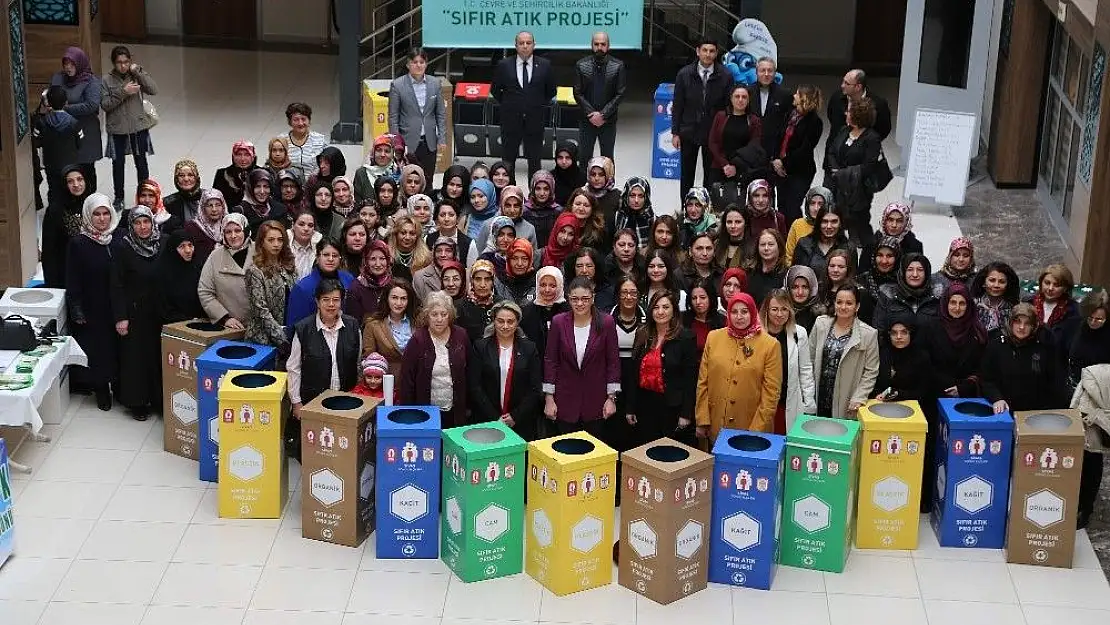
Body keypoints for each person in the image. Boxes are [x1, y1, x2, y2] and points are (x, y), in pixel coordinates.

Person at [696, 292, 783, 439]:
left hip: (751, 428)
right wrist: (702, 420)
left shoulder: (770, 345)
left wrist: (756, 431)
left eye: (744, 311)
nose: (739, 316)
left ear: (753, 312)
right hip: (715, 425)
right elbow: (703, 382)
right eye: (734, 312)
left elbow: (771, 394)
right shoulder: (714, 338)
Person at [543, 276, 621, 436]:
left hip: (596, 401)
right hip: (564, 401)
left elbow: (613, 361)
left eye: (585, 299)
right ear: (568, 299)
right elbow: (551, 361)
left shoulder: (606, 322)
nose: (579, 304)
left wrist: (611, 398)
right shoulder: (558, 322)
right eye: (575, 299)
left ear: (593, 298)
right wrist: (549, 398)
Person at [287, 278, 362, 444]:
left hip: (345, 401)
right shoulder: (303, 329)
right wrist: (296, 402)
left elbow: (358, 364)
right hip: (312, 402)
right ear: (317, 301)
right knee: (316, 448)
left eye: (336, 300)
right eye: (326, 300)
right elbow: (294, 368)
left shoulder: (352, 326)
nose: (331, 305)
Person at [1060, 289, 1110, 528]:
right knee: (1067, 450)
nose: (1093, 322)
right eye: (1090, 317)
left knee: (1091, 454)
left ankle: (1085, 506)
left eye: (1099, 318)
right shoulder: (1073, 326)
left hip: (1096, 401)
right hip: (1069, 393)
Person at [67, 194, 120, 410]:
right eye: (96, 214)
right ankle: (100, 389)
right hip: (93, 304)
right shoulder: (79, 243)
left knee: (118, 348)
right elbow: (73, 277)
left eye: (106, 213)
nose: (101, 219)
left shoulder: (119, 237)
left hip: (117, 304)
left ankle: (120, 387)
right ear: (88, 216)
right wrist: (76, 308)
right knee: (98, 350)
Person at [626, 290, 698, 447]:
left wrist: (686, 414)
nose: (660, 312)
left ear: (674, 310)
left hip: (672, 407)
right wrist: (630, 407)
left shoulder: (686, 337)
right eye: (656, 307)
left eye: (665, 307)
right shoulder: (642, 333)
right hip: (645, 406)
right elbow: (633, 373)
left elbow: (690, 380)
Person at [111, 206, 163, 421]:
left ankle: (159, 400)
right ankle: (138, 402)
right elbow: (117, 284)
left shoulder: (163, 243)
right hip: (134, 313)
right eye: (137, 223)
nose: (143, 227)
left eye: (146, 222)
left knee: (157, 357)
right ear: (131, 225)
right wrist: (120, 317)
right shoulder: (123, 248)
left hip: (159, 311)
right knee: (137, 359)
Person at [469, 300, 543, 440]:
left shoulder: (529, 348)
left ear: (517, 323)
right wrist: (495, 418)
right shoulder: (480, 347)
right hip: (487, 420)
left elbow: (534, 388)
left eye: (510, 321)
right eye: (500, 321)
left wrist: (515, 416)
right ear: (493, 322)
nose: (505, 326)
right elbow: (475, 387)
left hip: (520, 423)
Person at [672, 38, 734, 200]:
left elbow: (728, 106)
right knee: (687, 174)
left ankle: (707, 209)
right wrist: (675, 132)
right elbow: (678, 105)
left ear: (716, 53)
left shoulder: (725, 76)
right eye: (704, 50)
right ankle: (686, 208)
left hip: (713, 133)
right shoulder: (684, 74)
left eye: (712, 51)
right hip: (688, 131)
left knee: (711, 174)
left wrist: (725, 132)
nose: (708, 54)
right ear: (697, 51)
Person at [491, 31, 557, 183]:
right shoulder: (504, 65)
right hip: (510, 121)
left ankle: (534, 196)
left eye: (528, 43)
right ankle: (509, 193)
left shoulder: (545, 65)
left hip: (535, 121)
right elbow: (495, 91)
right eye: (521, 43)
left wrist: (534, 104)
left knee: (534, 162)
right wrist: (511, 105)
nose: (525, 46)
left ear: (534, 45)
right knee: (508, 162)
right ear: (515, 46)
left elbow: (551, 91)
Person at [399, 291, 471, 426]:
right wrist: (408, 414)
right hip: (425, 412)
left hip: (456, 410)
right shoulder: (417, 340)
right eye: (434, 314)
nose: (439, 319)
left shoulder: (461, 335)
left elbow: (470, 371)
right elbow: (407, 380)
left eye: (444, 314)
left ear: (450, 315)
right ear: (427, 316)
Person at [809, 282, 880, 419]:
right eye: (839, 302)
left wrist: (859, 397)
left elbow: (871, 371)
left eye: (849, 303)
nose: (843, 307)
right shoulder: (821, 324)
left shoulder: (868, 334)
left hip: (847, 399)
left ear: (857, 306)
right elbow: (809, 359)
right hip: (819, 394)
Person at [101, 45, 157, 209]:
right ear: (113, 63)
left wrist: (138, 70)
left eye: (126, 62)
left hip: (137, 127)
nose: (123, 66)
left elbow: (153, 89)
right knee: (118, 165)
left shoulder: (136, 75)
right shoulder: (106, 80)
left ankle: (144, 195)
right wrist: (123, 92)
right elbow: (105, 105)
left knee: (141, 162)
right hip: (117, 129)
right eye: (119, 62)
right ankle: (119, 197)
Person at [823, 96, 884, 248]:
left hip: (857, 192)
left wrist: (842, 173)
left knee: (856, 225)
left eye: (849, 111)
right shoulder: (844, 130)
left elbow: (868, 166)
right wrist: (835, 170)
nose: (845, 113)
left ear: (858, 115)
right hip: (836, 186)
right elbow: (831, 151)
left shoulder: (872, 138)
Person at [980, 303, 1062, 413]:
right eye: (1017, 321)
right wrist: (997, 398)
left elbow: (1052, 382)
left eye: (1027, 323)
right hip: (1003, 410)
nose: (1022, 327)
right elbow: (987, 380)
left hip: (1034, 414)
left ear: (1034, 326)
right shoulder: (997, 345)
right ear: (1011, 322)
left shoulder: (1043, 348)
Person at [760, 289, 817, 434]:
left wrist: (808, 403)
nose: (780, 314)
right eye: (775, 309)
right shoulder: (757, 334)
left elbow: (805, 369)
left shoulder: (799, 333)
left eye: (784, 309)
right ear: (766, 310)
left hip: (788, 402)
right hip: (762, 404)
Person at [388, 47, 447, 178]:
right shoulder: (397, 85)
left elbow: (441, 114)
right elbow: (393, 117)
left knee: (428, 178)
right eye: (415, 62)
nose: (418, 65)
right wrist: (397, 142)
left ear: (426, 64)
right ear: (408, 64)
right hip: (407, 141)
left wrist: (442, 138)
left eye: (421, 62)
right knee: (408, 179)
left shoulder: (435, 83)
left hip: (429, 141)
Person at [50, 47, 102, 189]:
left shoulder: (91, 81)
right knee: (67, 169)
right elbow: (52, 96)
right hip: (64, 132)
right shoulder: (58, 78)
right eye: (66, 64)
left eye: (72, 64)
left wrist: (64, 108)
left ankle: (90, 200)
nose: (68, 67)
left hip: (86, 131)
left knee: (86, 169)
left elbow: (91, 105)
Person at [771, 85, 824, 224]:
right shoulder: (790, 113)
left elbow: (804, 150)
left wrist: (784, 163)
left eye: (797, 94)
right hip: (780, 168)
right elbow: (778, 136)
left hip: (800, 171)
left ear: (804, 99)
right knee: (781, 206)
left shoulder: (815, 122)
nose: (794, 96)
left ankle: (797, 235)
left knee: (792, 207)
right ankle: (783, 236)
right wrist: (776, 159)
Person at [924, 282, 987, 399]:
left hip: (966, 397)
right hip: (933, 395)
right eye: (953, 302)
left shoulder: (977, 331)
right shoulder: (931, 327)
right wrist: (948, 385)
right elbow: (925, 363)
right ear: (945, 303)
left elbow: (982, 367)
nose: (957, 308)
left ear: (968, 305)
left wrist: (963, 388)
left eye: (962, 303)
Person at [572, 31, 626, 166]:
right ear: (591, 45)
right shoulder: (581, 65)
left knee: (607, 158)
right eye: (596, 44)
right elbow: (577, 92)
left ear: (608, 46)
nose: (599, 47)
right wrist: (591, 114)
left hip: (608, 121)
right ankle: (583, 187)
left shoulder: (618, 66)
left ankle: (608, 187)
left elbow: (620, 93)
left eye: (603, 44)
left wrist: (603, 114)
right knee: (584, 157)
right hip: (586, 120)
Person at [245, 221, 297, 350]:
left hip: (289, 333)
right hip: (262, 340)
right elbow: (260, 310)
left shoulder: (289, 266)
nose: (276, 244)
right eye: (271, 240)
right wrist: (282, 339)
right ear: (262, 242)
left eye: (280, 240)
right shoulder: (255, 271)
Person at [286, 238, 356, 331]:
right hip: (313, 340)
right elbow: (295, 326)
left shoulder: (348, 279)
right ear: (318, 257)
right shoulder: (302, 288)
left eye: (335, 255)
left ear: (340, 258)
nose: (330, 259)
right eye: (326, 255)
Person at [361, 278, 419, 388]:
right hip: (385, 384)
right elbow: (368, 358)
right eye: (394, 298)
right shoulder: (373, 324)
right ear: (386, 298)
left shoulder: (418, 322)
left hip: (414, 381)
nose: (399, 303)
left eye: (403, 299)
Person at [41, 164, 92, 288]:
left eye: (80, 179)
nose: (76, 185)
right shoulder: (55, 210)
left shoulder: (93, 204)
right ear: (64, 184)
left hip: (91, 272)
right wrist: (52, 284)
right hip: (65, 274)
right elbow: (49, 252)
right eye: (70, 181)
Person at [707, 84, 765, 191]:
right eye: (737, 96)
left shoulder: (754, 120)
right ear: (731, 99)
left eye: (744, 97)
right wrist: (725, 164)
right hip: (719, 167)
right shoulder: (720, 116)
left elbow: (753, 146)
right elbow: (712, 142)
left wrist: (735, 166)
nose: (740, 100)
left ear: (748, 100)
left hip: (742, 170)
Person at [34, 85, 84, 204]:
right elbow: (80, 142)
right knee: (71, 188)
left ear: (49, 103)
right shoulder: (74, 122)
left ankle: (54, 212)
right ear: (66, 102)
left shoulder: (41, 123)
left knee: (53, 188)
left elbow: (36, 142)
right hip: (71, 163)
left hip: (51, 164)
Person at [873, 253, 941, 335]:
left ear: (926, 273)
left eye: (920, 270)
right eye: (910, 270)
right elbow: (879, 330)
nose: (915, 274)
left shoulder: (936, 296)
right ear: (903, 272)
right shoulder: (888, 294)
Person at [827, 69, 892, 141]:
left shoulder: (878, 104)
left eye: (846, 83)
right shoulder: (836, 98)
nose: (842, 85)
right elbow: (830, 116)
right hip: (835, 147)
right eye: (843, 81)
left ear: (858, 87)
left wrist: (869, 143)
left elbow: (884, 129)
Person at [793, 203, 854, 279]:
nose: (829, 226)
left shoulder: (849, 248)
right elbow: (795, 276)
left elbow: (851, 280)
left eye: (834, 221)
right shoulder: (804, 245)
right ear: (818, 223)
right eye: (824, 221)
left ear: (840, 223)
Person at [521, 267, 570, 362]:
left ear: (560, 286)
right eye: (543, 285)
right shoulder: (527, 312)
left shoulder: (569, 311)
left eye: (552, 286)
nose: (547, 290)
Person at [156, 229, 205, 323]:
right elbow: (163, 307)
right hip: (172, 326)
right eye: (182, 246)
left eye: (190, 245)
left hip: (200, 323)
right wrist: (186, 319)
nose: (188, 250)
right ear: (173, 249)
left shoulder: (198, 267)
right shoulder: (162, 273)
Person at [859, 202, 924, 273]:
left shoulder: (914, 246)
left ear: (906, 223)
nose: (894, 225)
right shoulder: (871, 243)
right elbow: (862, 273)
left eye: (899, 221)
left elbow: (916, 273)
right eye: (890, 220)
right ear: (884, 221)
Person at [476, 185, 538, 251]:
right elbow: (479, 253)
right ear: (502, 205)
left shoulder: (529, 229)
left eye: (516, 206)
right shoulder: (489, 225)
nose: (512, 210)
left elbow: (533, 257)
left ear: (521, 207)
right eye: (508, 205)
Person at [345, 239, 393, 324]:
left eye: (382, 258)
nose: (378, 264)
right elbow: (353, 323)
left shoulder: (392, 284)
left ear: (388, 260)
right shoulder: (356, 287)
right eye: (373, 259)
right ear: (366, 261)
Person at [458, 260, 504, 343]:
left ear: (493, 282)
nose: (482, 285)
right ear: (472, 281)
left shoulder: (501, 305)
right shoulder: (461, 306)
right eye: (478, 279)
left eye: (487, 279)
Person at [1031, 263, 1079, 342]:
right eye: (1047, 283)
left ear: (1065, 288)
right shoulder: (1029, 302)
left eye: (1056, 285)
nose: (1050, 288)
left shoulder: (1073, 311)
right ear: (1040, 283)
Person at [280, 102, 330, 178]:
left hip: (315, 185)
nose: (300, 123)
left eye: (303, 119)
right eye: (296, 120)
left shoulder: (320, 140)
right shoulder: (281, 140)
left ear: (309, 121)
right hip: (288, 186)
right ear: (290, 122)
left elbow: (329, 164)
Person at [970, 261, 1021, 334]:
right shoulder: (972, 306)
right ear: (983, 282)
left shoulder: (1014, 310)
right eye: (992, 280)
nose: (996, 285)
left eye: (1002, 282)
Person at [785, 186, 831, 265]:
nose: (816, 208)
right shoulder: (798, 224)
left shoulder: (832, 226)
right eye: (812, 203)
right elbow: (789, 256)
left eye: (820, 204)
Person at [427, 199, 479, 268]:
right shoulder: (428, 239)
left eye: (451, 215)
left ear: (457, 218)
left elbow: (471, 271)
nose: (446, 219)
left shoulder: (469, 243)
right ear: (437, 219)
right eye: (442, 215)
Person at [856, 236, 902, 314]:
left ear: (897, 258)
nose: (884, 261)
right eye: (880, 255)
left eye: (889, 256)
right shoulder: (861, 281)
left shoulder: (903, 284)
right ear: (874, 256)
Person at [236, 169, 288, 236]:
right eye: (257, 186)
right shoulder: (240, 211)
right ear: (250, 188)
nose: (262, 191)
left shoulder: (280, 209)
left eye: (266, 186)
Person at [683, 276, 725, 360]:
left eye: (702, 297)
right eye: (694, 298)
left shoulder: (722, 321)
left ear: (710, 298)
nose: (698, 302)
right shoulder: (683, 320)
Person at [184, 188, 229, 264]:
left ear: (223, 206)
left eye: (218, 205)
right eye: (209, 205)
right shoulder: (192, 227)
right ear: (203, 207)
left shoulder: (229, 225)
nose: (214, 209)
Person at [747, 228, 789, 306]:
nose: (766, 248)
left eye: (770, 244)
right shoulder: (750, 272)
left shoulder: (787, 275)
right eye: (762, 245)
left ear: (779, 247)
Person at [354, 134, 400, 203]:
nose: (382, 155)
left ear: (392, 154)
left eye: (387, 151)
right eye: (379, 150)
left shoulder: (398, 173)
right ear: (373, 152)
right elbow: (358, 201)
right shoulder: (362, 173)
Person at [522, 170, 563, 246]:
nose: (542, 193)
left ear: (551, 190)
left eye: (546, 189)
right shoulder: (525, 211)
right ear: (532, 189)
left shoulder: (558, 211)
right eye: (538, 188)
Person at [567, 188, 612, 256]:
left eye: (586, 205)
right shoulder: (562, 224)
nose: (581, 208)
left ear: (592, 209)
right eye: (578, 204)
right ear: (571, 206)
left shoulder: (600, 230)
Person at [568, 247, 614, 312]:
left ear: (596, 267)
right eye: (579, 266)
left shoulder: (608, 292)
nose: (584, 270)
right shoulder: (566, 291)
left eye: (589, 266)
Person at [613, 177, 654, 250]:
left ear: (646, 198)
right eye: (632, 195)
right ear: (626, 196)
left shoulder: (653, 219)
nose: (636, 200)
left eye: (640, 196)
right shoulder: (617, 217)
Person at [212, 141, 256, 208]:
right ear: (233, 156)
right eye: (239, 154)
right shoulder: (222, 174)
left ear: (253, 156)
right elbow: (216, 199)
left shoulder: (262, 173)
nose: (243, 159)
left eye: (247, 155)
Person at [496, 239, 538, 305]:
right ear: (508, 260)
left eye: (524, 259)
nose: (519, 263)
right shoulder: (498, 282)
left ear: (530, 261)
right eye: (515, 258)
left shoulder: (538, 282)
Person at [163, 159, 205, 224]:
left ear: (196, 177)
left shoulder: (209, 197)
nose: (186, 179)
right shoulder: (168, 202)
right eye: (181, 175)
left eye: (190, 175)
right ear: (176, 179)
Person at [712, 205, 751, 271]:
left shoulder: (752, 248)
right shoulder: (716, 245)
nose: (733, 226)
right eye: (729, 222)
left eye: (738, 222)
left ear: (745, 223)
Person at [786, 264, 823, 331]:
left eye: (805, 287)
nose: (800, 292)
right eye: (795, 287)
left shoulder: (819, 316)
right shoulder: (780, 310)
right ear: (788, 288)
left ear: (811, 288)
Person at [288, 210, 323, 280]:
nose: (306, 229)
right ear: (293, 225)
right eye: (301, 224)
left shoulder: (320, 247)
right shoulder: (284, 245)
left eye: (310, 225)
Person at [552, 141, 586, 206]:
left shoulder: (583, 177)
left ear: (574, 158)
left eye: (568, 158)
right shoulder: (550, 177)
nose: (564, 161)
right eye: (560, 157)